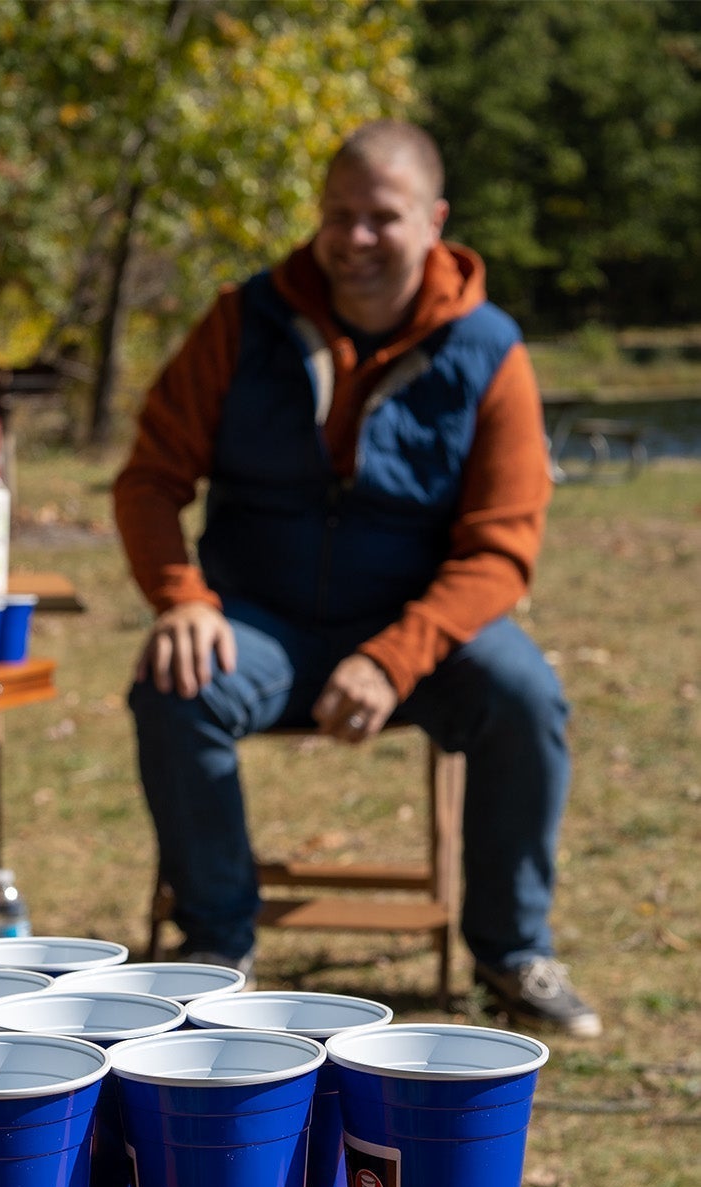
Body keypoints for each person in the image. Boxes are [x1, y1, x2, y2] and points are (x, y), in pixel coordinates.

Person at [116, 120, 600, 1039]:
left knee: (527, 696)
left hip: (418, 630)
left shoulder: (490, 350)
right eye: (340, 214)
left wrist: (393, 657)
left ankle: (511, 949)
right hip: (258, 622)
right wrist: (181, 594)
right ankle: (217, 949)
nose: (356, 238)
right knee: (174, 685)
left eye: (383, 216)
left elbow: (500, 549)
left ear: (435, 221)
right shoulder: (240, 320)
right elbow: (149, 478)